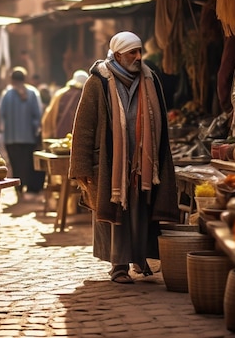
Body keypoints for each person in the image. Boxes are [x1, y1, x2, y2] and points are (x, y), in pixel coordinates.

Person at [69, 31, 180, 284]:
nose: (138, 57)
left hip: (143, 164)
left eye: (139, 51)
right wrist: (82, 165)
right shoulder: (97, 82)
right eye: (133, 52)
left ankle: (139, 258)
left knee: (141, 212)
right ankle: (118, 266)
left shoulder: (150, 79)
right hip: (111, 165)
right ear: (118, 54)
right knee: (115, 214)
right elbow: (84, 127)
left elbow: (160, 120)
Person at [0, 67, 44, 202]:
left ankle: (18, 190)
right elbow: (38, 115)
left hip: (11, 138)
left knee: (16, 164)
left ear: (12, 79)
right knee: (28, 164)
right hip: (28, 137)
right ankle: (27, 190)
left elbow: (2, 114)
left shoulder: (7, 94)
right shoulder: (33, 93)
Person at [41, 69, 89, 139]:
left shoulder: (60, 94)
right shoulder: (87, 95)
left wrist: (48, 134)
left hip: (59, 134)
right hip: (81, 137)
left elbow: (49, 115)